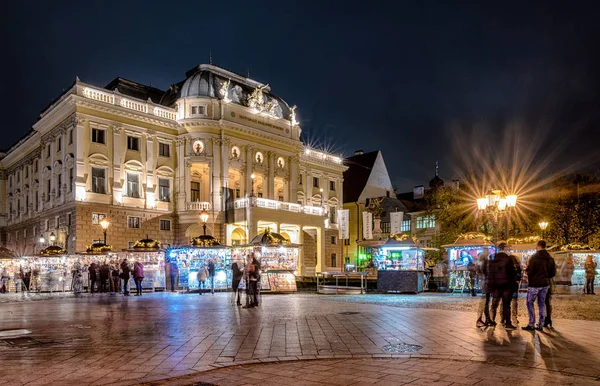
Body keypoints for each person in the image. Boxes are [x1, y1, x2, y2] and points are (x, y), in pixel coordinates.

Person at [522, 240, 556, 331]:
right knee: (542, 303)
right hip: (545, 284)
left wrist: (526, 270)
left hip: (534, 284)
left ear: (538, 246)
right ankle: (541, 324)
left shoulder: (534, 258)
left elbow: (530, 271)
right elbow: (553, 273)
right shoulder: (550, 258)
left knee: (530, 303)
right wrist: (545, 276)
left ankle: (531, 323)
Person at [486, 241, 518, 330]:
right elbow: (511, 273)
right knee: (506, 305)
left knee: (494, 304)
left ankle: (491, 320)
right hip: (507, 285)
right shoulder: (508, 259)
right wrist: (514, 283)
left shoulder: (493, 259)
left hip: (496, 286)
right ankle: (507, 322)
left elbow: (490, 274)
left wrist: (490, 286)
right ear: (504, 248)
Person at [476, 252, 492, 327]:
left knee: (485, 302)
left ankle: (487, 318)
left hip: (484, 284)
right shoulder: (485, 264)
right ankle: (480, 319)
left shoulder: (479, 264)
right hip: (486, 284)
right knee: (485, 302)